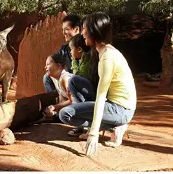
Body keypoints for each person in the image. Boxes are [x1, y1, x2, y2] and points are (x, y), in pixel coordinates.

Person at [58, 13, 136, 154]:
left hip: (120, 110)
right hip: (114, 105)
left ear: (94, 31)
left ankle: (116, 126)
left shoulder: (107, 57)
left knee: (65, 115)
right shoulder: (103, 51)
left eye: (85, 29)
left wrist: (93, 133)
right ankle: (111, 124)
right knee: (74, 81)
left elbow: (101, 96)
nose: (82, 33)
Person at [44, 14, 81, 93]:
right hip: (66, 81)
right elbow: (55, 62)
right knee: (47, 77)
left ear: (77, 29)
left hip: (79, 83)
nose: (64, 33)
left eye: (66, 29)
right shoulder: (63, 49)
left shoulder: (85, 47)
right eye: (62, 30)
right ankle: (54, 100)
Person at [42, 53, 74, 122]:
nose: (45, 67)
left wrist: (54, 107)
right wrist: (54, 110)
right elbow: (62, 99)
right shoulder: (54, 78)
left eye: (48, 64)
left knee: (62, 115)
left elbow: (74, 100)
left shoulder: (66, 78)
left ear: (58, 66)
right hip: (72, 106)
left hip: (82, 105)